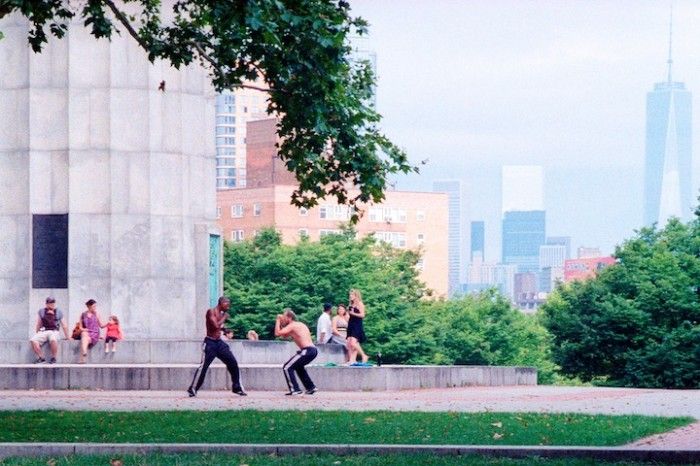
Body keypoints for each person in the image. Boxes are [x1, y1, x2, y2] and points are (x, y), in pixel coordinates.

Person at [187, 297, 247, 397]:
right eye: (227, 304)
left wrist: (226, 330)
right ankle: (193, 388)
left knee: (233, 363)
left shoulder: (222, 314)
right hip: (210, 343)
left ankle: (237, 387)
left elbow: (219, 328)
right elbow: (215, 326)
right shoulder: (211, 312)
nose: (228, 307)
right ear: (221, 303)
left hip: (219, 343)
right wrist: (224, 318)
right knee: (203, 367)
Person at [275, 308, 317, 395]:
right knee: (298, 367)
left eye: (284, 317)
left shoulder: (292, 325)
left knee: (287, 367)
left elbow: (277, 333)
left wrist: (278, 320)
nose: (282, 318)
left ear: (289, 317)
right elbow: (284, 336)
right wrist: (282, 323)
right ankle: (311, 387)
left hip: (307, 350)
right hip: (312, 350)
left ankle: (295, 389)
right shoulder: (298, 324)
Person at [30, 297, 69, 364]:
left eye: (53, 303)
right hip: (44, 331)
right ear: (46, 304)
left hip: (54, 331)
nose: (52, 305)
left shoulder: (58, 312)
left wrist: (67, 337)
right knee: (33, 340)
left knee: (53, 339)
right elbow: (39, 323)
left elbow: (64, 325)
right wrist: (37, 333)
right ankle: (41, 358)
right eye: (50, 303)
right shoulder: (41, 311)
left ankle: (53, 358)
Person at [78, 299, 104, 364]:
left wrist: (108, 324)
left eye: (95, 306)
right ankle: (84, 353)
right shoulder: (83, 314)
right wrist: (83, 329)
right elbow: (80, 327)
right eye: (94, 306)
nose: (95, 308)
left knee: (85, 338)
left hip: (94, 333)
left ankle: (83, 357)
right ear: (89, 306)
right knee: (84, 334)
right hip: (86, 332)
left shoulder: (97, 314)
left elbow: (101, 325)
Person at [347, 289, 369, 364]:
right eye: (350, 295)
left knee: (353, 343)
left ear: (356, 296)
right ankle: (352, 359)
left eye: (352, 295)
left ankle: (364, 355)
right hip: (350, 324)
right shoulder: (351, 304)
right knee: (350, 343)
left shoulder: (360, 304)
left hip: (357, 324)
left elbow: (362, 315)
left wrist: (353, 313)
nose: (350, 296)